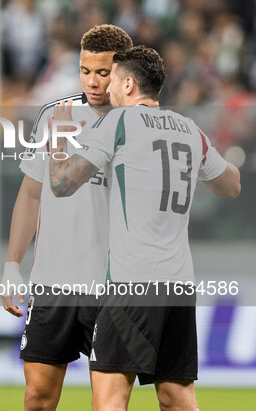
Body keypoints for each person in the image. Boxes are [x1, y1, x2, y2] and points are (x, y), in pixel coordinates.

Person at [48, 46, 240, 410]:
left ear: (130, 84)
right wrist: (209, 170)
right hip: (179, 286)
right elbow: (232, 185)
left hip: (131, 284)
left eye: (114, 82)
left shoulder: (118, 122)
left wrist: (58, 143)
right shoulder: (189, 129)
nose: (107, 90)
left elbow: (62, 184)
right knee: (177, 398)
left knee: (109, 399)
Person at [0, 24, 132, 410]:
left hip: (112, 286)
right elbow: (30, 193)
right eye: (85, 70)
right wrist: (12, 264)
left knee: (108, 404)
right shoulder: (55, 116)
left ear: (122, 72)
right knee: (37, 397)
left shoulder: (139, 126)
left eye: (103, 72)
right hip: (53, 281)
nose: (93, 81)